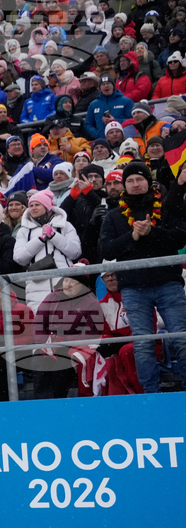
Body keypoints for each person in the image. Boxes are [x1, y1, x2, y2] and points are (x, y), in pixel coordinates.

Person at [99, 163, 186, 392]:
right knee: (142, 344)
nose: (135, 185)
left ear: (149, 181)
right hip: (134, 288)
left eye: (139, 179)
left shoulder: (166, 208)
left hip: (169, 283)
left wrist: (152, 233)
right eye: (130, 181)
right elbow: (106, 250)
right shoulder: (114, 216)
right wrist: (133, 236)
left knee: (182, 339)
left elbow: (179, 239)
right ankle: (150, 395)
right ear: (124, 185)